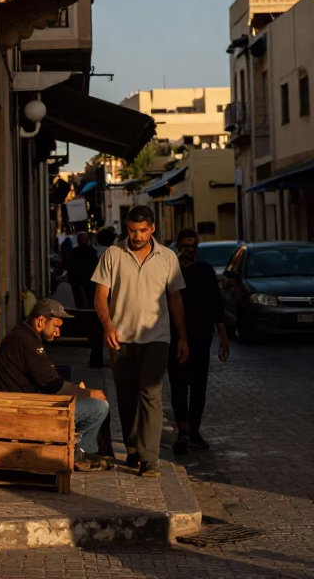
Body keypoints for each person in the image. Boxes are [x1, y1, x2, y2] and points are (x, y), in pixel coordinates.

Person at [92, 205, 189, 478]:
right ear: (127, 228)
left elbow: (176, 299)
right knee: (126, 397)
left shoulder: (168, 258)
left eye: (142, 230)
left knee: (151, 394)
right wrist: (108, 324)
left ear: (152, 228)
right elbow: (100, 297)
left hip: (157, 339)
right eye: (132, 231)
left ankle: (149, 458)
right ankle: (133, 448)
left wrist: (182, 337)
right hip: (120, 339)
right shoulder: (112, 254)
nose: (137, 236)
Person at [0, 298, 113, 471]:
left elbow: (47, 378)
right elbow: (53, 385)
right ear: (41, 321)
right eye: (56, 326)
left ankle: (80, 452)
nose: (58, 333)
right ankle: (79, 454)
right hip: (21, 412)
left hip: (18, 405)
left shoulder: (23, 336)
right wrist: (88, 393)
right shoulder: (26, 341)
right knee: (99, 407)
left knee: (87, 400)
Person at [168, 228, 229, 455]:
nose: (190, 249)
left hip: (202, 337)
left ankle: (194, 430)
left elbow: (216, 304)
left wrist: (223, 336)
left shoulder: (205, 271)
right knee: (178, 385)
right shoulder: (170, 272)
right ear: (178, 245)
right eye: (186, 245)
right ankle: (182, 429)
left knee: (199, 387)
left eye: (193, 245)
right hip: (174, 337)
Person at [67, 232, 100, 309]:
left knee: (79, 302)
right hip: (90, 280)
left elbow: (70, 267)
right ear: (87, 240)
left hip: (77, 281)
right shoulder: (92, 251)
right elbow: (96, 266)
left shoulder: (73, 252)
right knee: (90, 301)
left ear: (78, 241)